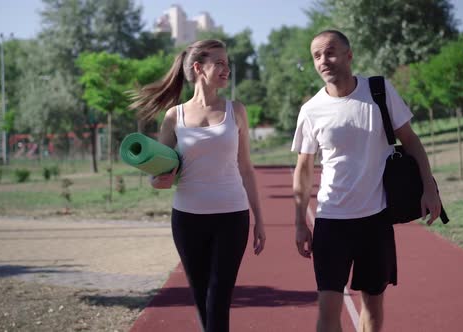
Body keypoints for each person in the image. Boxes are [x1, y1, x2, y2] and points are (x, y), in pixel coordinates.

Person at [291, 30, 442, 332]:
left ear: (349, 55)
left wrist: (430, 189)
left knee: (373, 307)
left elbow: (411, 141)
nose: (324, 60)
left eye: (331, 52)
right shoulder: (310, 111)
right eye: (317, 56)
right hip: (331, 221)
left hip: (376, 220)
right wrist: (299, 222)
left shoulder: (379, 91)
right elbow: (304, 169)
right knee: (328, 309)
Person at [130, 39, 266, 332]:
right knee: (202, 297)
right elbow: (158, 175)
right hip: (188, 219)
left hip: (232, 216)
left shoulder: (236, 110)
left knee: (218, 298)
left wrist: (260, 220)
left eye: (227, 63)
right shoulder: (174, 116)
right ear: (198, 68)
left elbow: (246, 167)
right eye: (219, 63)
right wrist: (159, 180)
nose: (226, 69)